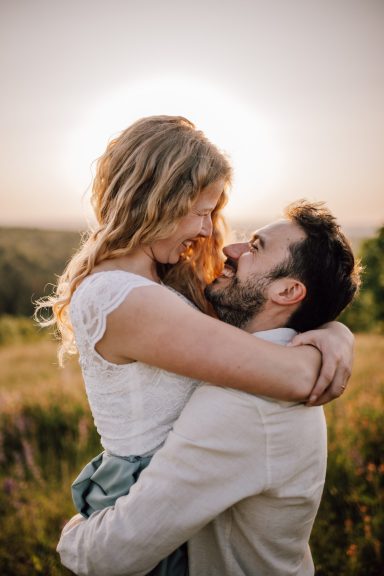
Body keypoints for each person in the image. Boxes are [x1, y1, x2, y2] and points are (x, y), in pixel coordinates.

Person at [35, 115, 353, 571]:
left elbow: (255, 331)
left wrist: (328, 329)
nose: (209, 232)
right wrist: (332, 340)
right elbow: (299, 376)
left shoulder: (161, 282)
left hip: (179, 495)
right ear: (160, 201)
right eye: (201, 211)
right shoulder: (122, 296)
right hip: (142, 493)